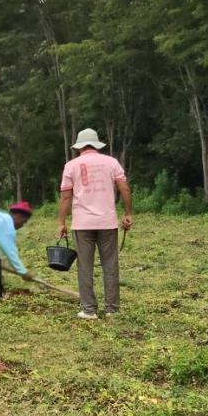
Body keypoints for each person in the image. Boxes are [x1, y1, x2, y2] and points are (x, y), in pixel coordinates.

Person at [58, 128, 133, 320]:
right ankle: (112, 310)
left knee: (85, 266)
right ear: (96, 145)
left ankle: (89, 310)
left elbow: (66, 196)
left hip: (82, 224)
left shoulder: (71, 165)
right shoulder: (111, 162)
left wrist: (61, 222)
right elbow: (124, 187)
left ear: (79, 147)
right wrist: (127, 213)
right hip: (107, 222)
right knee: (110, 265)